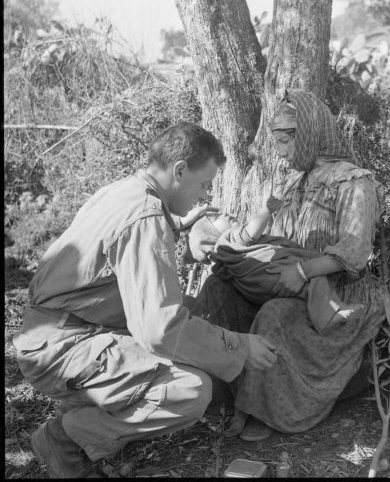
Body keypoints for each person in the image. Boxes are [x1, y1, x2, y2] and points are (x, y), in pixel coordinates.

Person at [13, 122, 277, 478]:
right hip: (62, 347)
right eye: (203, 185)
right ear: (179, 170)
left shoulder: (124, 191)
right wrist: (239, 346)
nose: (203, 197)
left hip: (53, 332)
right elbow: (159, 330)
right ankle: (65, 437)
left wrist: (178, 226)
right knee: (190, 390)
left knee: (190, 318)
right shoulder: (145, 217)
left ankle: (86, 414)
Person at [191, 88, 389, 442]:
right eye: (277, 142)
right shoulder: (293, 181)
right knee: (217, 290)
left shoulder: (353, 181)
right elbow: (273, 237)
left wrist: (303, 271)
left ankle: (265, 408)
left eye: (286, 141)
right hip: (285, 277)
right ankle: (219, 393)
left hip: (335, 291)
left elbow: (356, 250)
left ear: (310, 132)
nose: (281, 152)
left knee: (275, 316)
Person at [187, 196, 365, 333]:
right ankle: (327, 315)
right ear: (210, 235)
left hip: (263, 287)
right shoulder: (227, 242)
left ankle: (328, 311)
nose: (226, 214)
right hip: (275, 275)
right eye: (217, 216)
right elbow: (250, 232)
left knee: (309, 287)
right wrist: (265, 211)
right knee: (315, 273)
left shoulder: (226, 262)